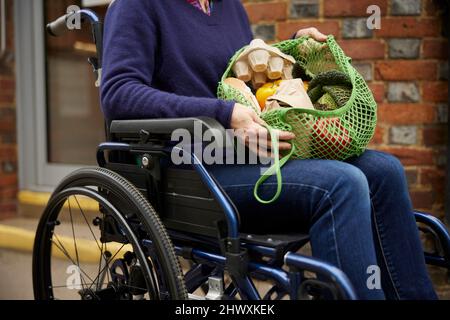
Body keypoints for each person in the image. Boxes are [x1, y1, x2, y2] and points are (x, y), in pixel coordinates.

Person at [100, 0, 437, 300]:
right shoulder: (136, 7)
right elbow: (118, 93)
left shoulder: (227, 6)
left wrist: (300, 57)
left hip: (247, 156)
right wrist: (225, 114)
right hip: (189, 169)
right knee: (341, 184)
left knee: (384, 171)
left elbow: (246, 80)